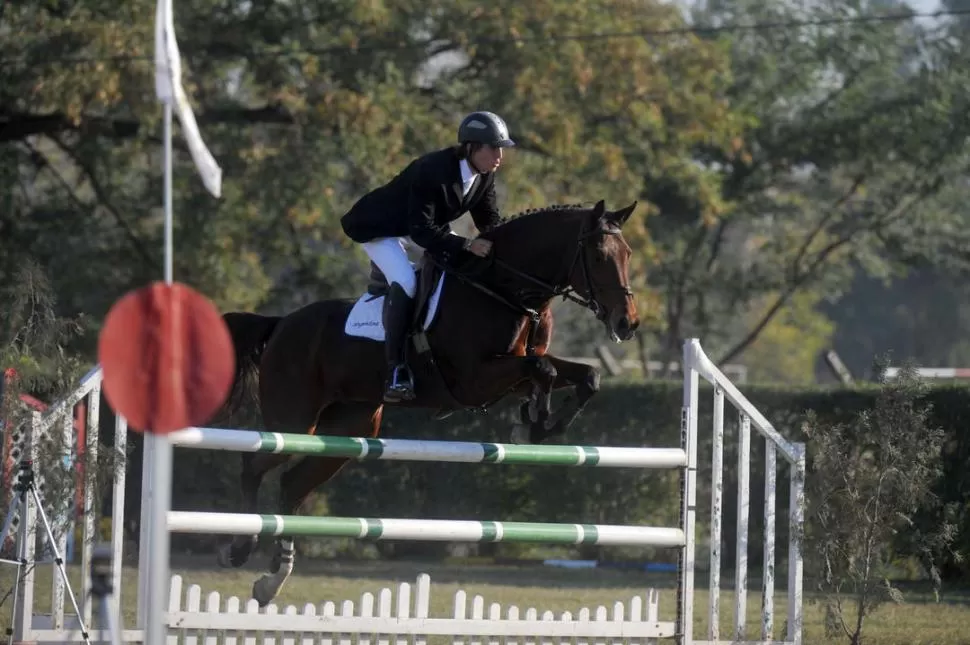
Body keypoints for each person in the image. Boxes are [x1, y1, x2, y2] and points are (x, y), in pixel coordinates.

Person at [340, 110, 516, 403]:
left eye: (501, 149)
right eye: (493, 148)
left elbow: (489, 222)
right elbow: (422, 233)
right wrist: (467, 246)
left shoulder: (484, 176)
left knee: (456, 268)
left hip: (417, 226)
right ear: (472, 147)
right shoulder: (433, 170)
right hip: (379, 228)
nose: (499, 155)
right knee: (407, 281)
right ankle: (396, 371)